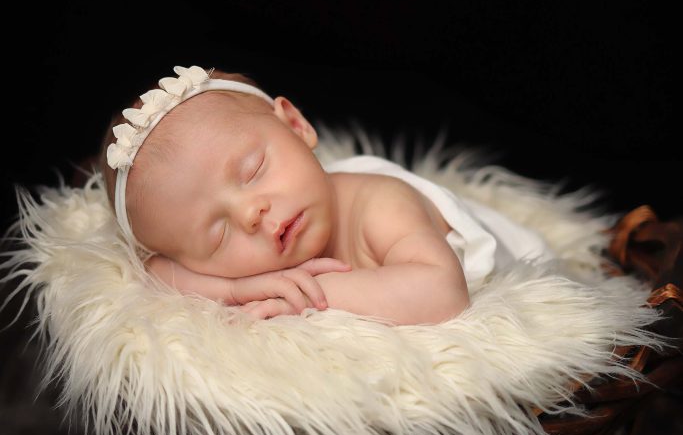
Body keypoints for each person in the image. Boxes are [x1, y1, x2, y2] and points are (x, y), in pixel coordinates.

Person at [99, 65, 552, 325]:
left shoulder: (378, 202)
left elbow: (442, 293)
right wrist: (236, 288)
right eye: (216, 235)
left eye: (252, 171)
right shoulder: (246, 266)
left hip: (535, 285)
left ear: (295, 126)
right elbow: (155, 269)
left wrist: (303, 297)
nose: (250, 214)